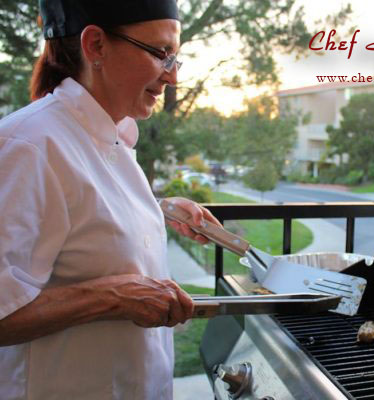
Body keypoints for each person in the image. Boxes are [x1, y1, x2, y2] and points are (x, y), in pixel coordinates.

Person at [0, 1, 221, 399]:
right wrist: (112, 297)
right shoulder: (28, 145)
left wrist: (157, 209)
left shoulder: (112, 136)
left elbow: (81, 218)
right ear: (96, 45)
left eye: (175, 58)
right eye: (160, 53)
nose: (172, 76)